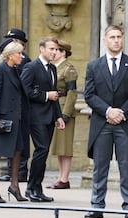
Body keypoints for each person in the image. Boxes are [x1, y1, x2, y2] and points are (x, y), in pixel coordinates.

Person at [83, 25, 128, 218]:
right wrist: (108, 111)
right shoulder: (94, 66)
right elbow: (90, 95)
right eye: (112, 37)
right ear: (105, 40)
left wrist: (121, 112)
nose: (116, 40)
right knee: (100, 167)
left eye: (119, 37)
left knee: (126, 166)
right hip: (102, 123)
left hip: (124, 124)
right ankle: (97, 205)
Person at [0, 39, 28, 203]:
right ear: (10, 55)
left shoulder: (16, 70)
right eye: (19, 53)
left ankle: (14, 186)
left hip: (16, 118)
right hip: (1, 117)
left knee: (17, 151)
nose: (22, 56)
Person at [21, 36, 65, 202]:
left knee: (43, 152)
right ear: (42, 49)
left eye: (56, 49)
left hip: (49, 117)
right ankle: (31, 187)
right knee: (41, 150)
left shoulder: (52, 69)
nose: (54, 52)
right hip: (36, 116)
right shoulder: (31, 67)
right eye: (51, 49)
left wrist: (59, 116)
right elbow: (25, 90)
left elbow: (55, 94)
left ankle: (36, 188)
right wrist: (46, 95)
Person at [0, 28, 31, 183]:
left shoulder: (24, 61)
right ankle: (12, 171)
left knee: (21, 141)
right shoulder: (7, 63)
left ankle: (20, 171)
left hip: (21, 107)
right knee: (13, 141)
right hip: (12, 107)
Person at [47, 40, 78, 189]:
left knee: (65, 146)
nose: (54, 52)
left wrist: (66, 113)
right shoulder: (54, 67)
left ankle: (64, 179)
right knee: (59, 146)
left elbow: (72, 93)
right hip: (55, 108)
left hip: (64, 108)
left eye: (57, 50)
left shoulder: (68, 69)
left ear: (63, 52)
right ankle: (61, 177)